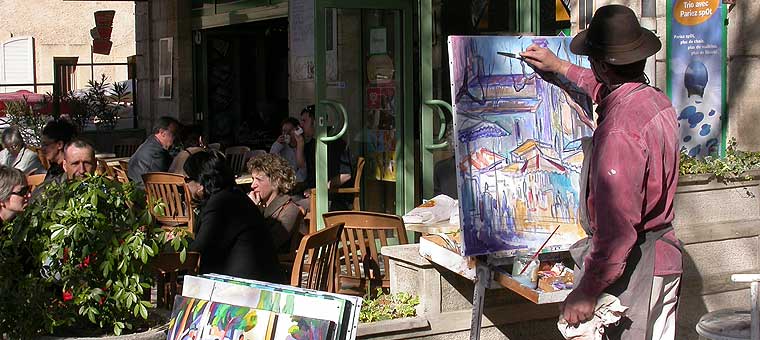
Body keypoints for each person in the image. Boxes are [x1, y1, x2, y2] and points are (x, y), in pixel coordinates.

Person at [520, 5, 682, 339]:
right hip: (662, 262)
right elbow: (600, 86)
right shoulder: (653, 100)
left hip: (636, 268)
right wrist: (560, 66)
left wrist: (587, 290)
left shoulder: (619, 131)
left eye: (594, 60)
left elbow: (618, 230)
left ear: (603, 65)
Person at [184, 150, 284, 282]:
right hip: (259, 281)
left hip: (245, 290)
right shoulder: (235, 195)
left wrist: (175, 245)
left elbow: (197, 251)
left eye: (187, 179)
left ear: (201, 183)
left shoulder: (219, 204)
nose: (185, 185)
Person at [297, 105, 353, 211]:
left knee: (294, 209)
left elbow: (346, 175)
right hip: (312, 194)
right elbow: (302, 165)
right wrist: (300, 144)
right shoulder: (312, 143)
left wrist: (319, 189)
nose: (301, 125)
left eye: (304, 121)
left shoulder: (335, 142)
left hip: (333, 198)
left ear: (314, 122)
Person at [247, 153, 304, 253]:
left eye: (259, 180)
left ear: (276, 181)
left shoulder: (290, 210)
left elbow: (267, 245)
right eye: (253, 179)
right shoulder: (262, 207)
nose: (252, 185)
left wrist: (252, 211)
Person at [128, 116, 180, 187]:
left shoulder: (149, 142)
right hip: (148, 192)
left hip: (138, 187)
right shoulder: (157, 154)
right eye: (173, 134)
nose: (175, 138)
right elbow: (170, 177)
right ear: (162, 133)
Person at [269, 117, 307, 184]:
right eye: (284, 131)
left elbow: (302, 170)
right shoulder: (281, 147)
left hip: (297, 182)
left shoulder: (302, 145)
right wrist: (277, 144)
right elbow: (270, 160)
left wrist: (292, 182)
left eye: (290, 131)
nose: (287, 134)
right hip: (282, 182)